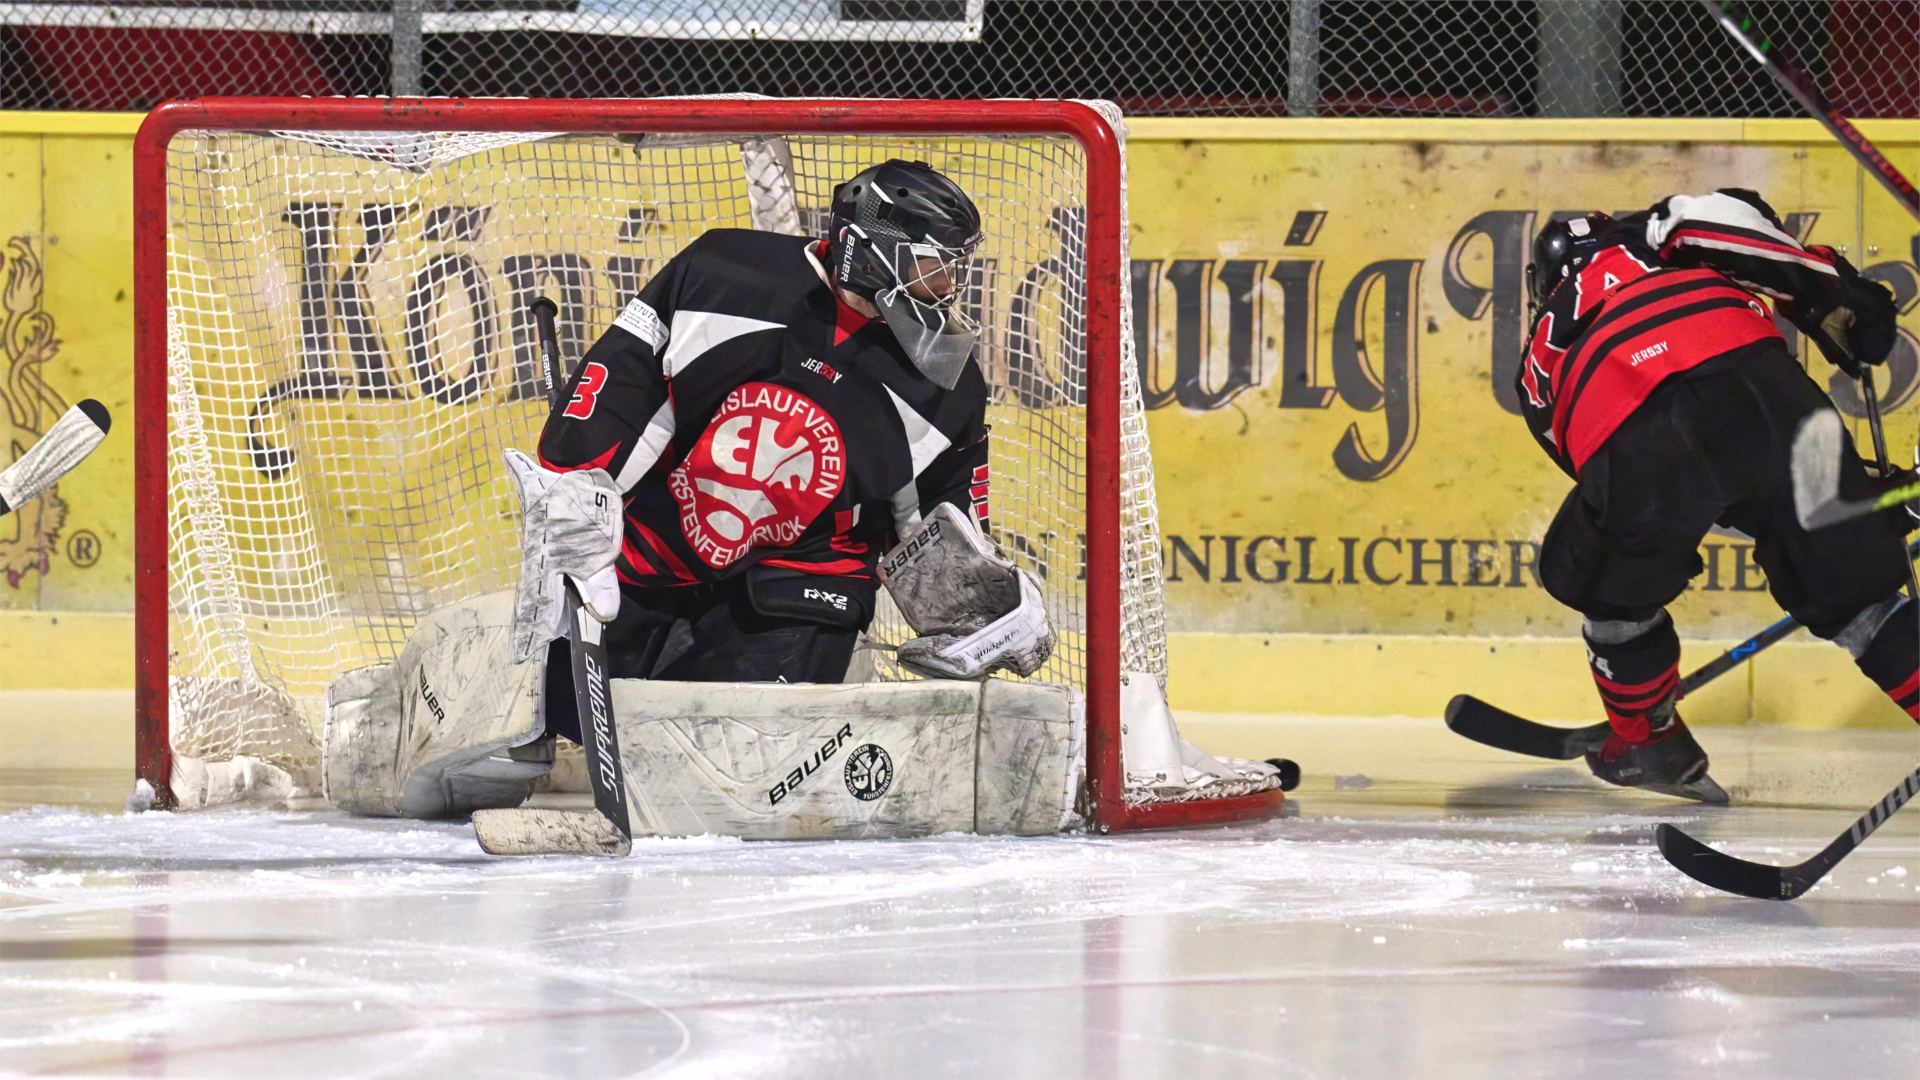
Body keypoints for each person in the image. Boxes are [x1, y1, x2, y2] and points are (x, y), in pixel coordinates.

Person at [518, 159, 1052, 745]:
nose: (948, 288)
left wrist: (985, 605)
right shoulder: (722, 272)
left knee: (740, 753)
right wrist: (571, 484)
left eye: (953, 270)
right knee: (553, 726)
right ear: (869, 252)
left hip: (806, 579)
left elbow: (937, 524)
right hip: (656, 549)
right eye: (931, 268)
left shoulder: (949, 386)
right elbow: (622, 381)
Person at [1519, 189, 1909, 800]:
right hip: (1763, 378)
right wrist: (1833, 290)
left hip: (1628, 423)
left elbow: (1616, 474)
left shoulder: (1537, 355)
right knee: (1858, 593)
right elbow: (1724, 216)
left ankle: (1649, 743)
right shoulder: (1650, 241)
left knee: (1610, 589)